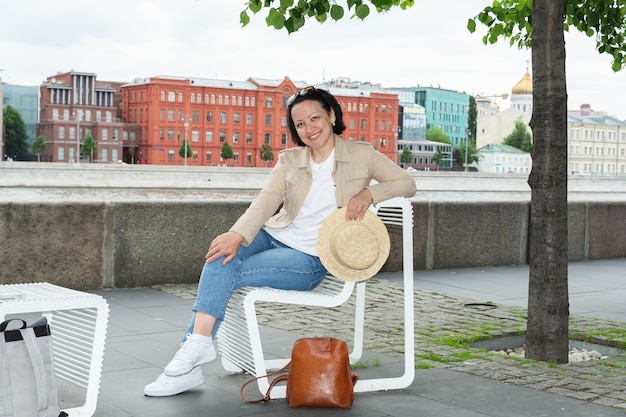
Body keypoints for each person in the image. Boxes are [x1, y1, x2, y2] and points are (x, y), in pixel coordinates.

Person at [144, 86, 417, 397]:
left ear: (331, 115)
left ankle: (189, 359)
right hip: (273, 236)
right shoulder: (290, 159)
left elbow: (408, 182)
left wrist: (369, 193)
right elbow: (268, 199)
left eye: (315, 118)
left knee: (231, 269)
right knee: (222, 253)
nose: (309, 129)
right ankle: (198, 348)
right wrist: (237, 234)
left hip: (310, 257)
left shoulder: (362, 155)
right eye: (300, 124)